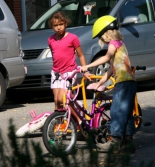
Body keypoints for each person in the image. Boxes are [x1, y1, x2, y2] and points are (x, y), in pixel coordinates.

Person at [81, 15, 137, 154]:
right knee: (126, 113)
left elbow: (106, 57)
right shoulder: (121, 45)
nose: (102, 41)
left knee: (117, 111)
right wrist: (99, 83)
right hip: (129, 82)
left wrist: (88, 65)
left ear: (106, 33)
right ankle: (127, 142)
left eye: (101, 37)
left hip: (123, 84)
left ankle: (115, 142)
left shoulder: (113, 43)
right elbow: (112, 70)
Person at [48, 11, 90, 123]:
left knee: (63, 99)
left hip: (69, 73)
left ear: (65, 24)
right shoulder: (51, 40)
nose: (58, 28)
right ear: (52, 26)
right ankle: (60, 123)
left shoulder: (72, 38)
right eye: (55, 25)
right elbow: (55, 56)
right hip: (56, 73)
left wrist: (84, 69)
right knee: (57, 101)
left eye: (61, 24)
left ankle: (79, 121)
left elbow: (81, 55)